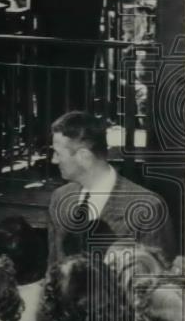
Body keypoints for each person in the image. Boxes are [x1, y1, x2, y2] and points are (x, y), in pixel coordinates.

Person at [47, 111, 176, 264]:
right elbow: (53, 268)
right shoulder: (60, 198)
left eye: (58, 153)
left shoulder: (148, 208)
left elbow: (156, 275)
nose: (53, 160)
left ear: (83, 156)